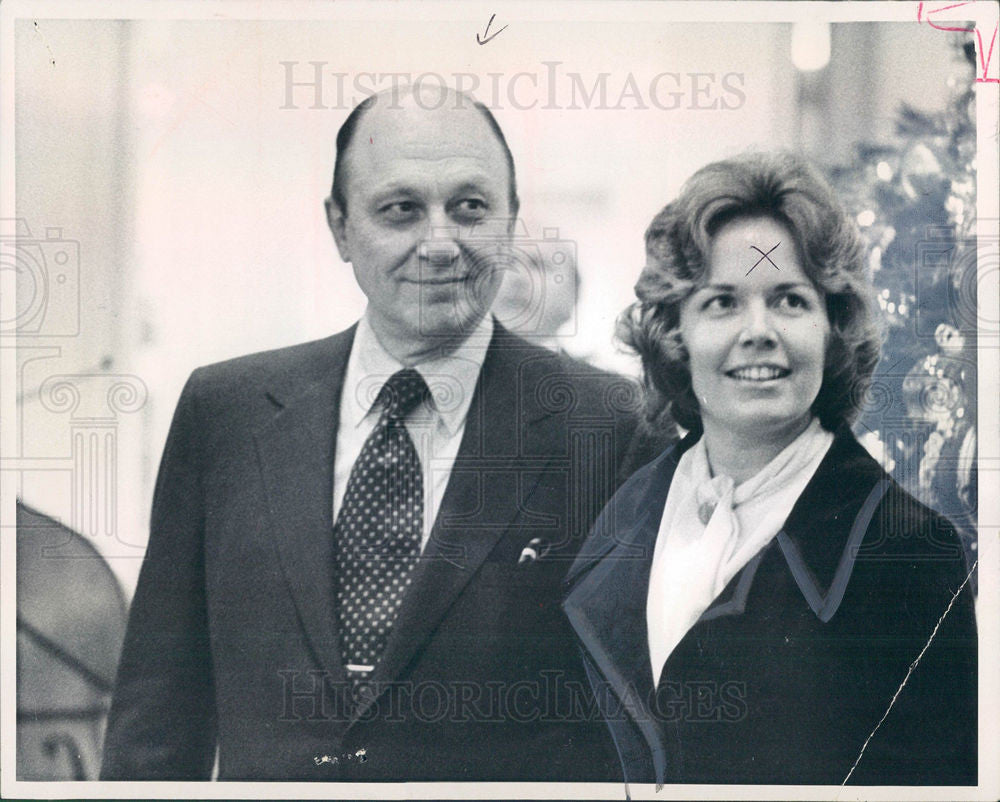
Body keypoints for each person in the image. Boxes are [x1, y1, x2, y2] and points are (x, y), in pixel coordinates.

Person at [100, 85, 659, 781]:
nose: (440, 242)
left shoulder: (608, 427)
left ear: (510, 222)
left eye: (471, 208)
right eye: (400, 211)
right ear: (339, 227)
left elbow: (631, 731)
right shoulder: (226, 413)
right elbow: (156, 717)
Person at [562, 152, 978, 785]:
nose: (758, 332)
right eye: (723, 303)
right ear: (675, 331)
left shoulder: (911, 552)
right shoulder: (621, 512)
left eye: (789, 300)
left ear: (833, 329)